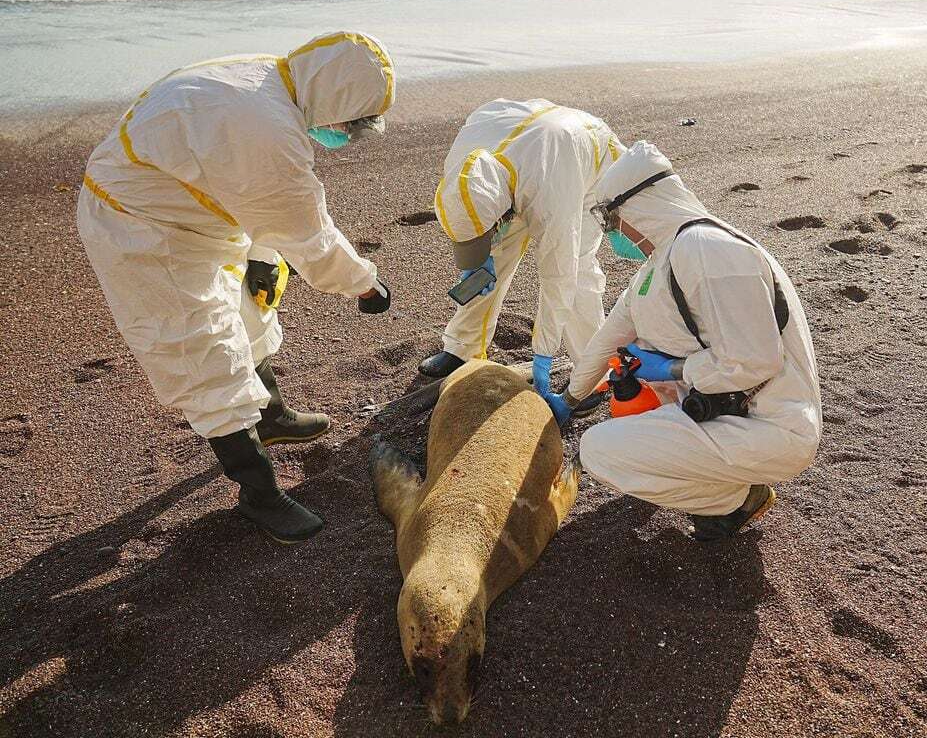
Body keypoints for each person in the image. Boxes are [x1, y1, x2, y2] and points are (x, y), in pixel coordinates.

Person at [77, 31, 396, 544]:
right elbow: (307, 233)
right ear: (335, 98)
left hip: (198, 207)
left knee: (252, 311)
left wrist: (261, 255)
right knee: (203, 350)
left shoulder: (270, 78)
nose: (344, 133)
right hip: (144, 230)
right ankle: (260, 493)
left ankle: (271, 415)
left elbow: (250, 191)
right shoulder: (265, 130)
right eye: (351, 123)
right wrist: (364, 284)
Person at [547, 142, 822, 541]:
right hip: (725, 410)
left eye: (612, 219)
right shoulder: (660, 263)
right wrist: (568, 400)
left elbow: (755, 361)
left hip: (773, 427)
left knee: (599, 450)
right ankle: (727, 488)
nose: (613, 233)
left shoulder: (710, 251)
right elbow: (608, 339)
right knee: (628, 420)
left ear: (640, 205)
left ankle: (734, 499)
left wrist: (672, 369)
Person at [418, 99, 625, 408]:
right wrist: (476, 257)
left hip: (585, 165)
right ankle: (463, 348)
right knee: (494, 255)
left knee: (577, 270)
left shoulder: (551, 190)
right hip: (527, 155)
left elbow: (559, 274)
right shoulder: (463, 167)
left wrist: (543, 351)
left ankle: (591, 372)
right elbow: (473, 211)